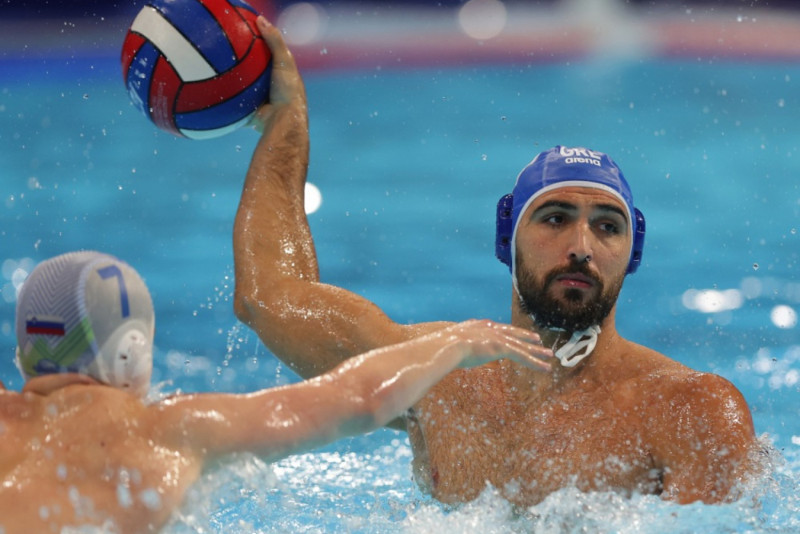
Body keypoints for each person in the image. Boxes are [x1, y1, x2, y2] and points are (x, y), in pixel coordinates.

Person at [232, 15, 760, 507]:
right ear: (508, 239)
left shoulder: (690, 412)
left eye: (607, 227)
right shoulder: (433, 377)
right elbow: (269, 300)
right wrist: (287, 128)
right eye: (555, 218)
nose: (582, 245)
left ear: (632, 252)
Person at [0, 250, 553, 533]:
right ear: (132, 353)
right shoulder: (174, 430)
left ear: (25, 352)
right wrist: (458, 341)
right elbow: (359, 397)